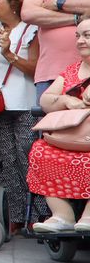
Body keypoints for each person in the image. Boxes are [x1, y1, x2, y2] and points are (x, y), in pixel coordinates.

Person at [0, 0, 38, 233]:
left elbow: (36, 68)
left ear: (14, 3)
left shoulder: (31, 30)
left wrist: (9, 54)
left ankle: (37, 214)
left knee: (28, 158)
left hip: (25, 103)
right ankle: (15, 216)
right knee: (5, 162)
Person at [27, 15, 90, 232]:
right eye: (78, 36)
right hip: (71, 137)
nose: (80, 41)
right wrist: (65, 100)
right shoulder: (72, 70)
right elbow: (45, 99)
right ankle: (62, 215)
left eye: (87, 35)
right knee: (41, 150)